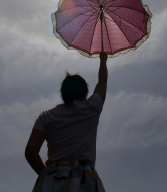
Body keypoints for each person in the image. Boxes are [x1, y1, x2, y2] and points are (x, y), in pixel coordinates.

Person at [25, 52, 108, 192]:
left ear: (63, 94)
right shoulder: (91, 108)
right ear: (84, 93)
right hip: (84, 177)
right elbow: (102, 82)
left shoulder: (46, 116)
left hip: (52, 178)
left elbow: (30, 152)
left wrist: (46, 174)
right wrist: (103, 60)